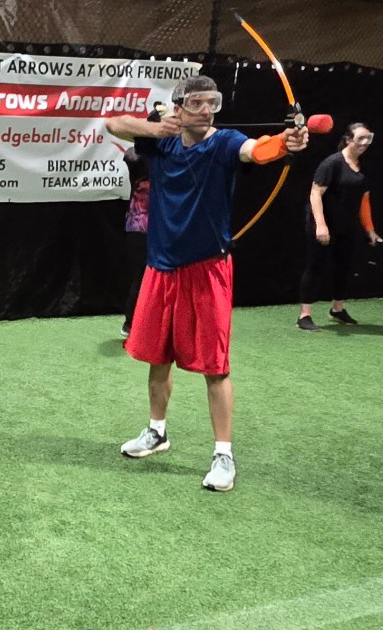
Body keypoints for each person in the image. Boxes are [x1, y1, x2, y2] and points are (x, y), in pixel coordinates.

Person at [106, 75, 308, 491]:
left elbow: (258, 150)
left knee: (215, 367)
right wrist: (157, 128)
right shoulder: (162, 143)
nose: (206, 110)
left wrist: (286, 142)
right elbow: (113, 123)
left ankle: (223, 455)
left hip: (206, 270)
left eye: (211, 102)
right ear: (178, 107)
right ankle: (156, 432)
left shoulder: (225, 142)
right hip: (160, 268)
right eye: (196, 103)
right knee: (158, 357)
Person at [296, 123, 380, 331]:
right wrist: (321, 225)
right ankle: (304, 315)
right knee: (315, 267)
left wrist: (369, 228)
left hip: (347, 226)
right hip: (323, 224)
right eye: (361, 139)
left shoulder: (363, 166)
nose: (365, 143)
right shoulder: (332, 163)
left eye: (368, 138)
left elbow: (364, 199)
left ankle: (337, 309)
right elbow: (315, 193)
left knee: (344, 267)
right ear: (349, 139)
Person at [121, 146, 149, 338]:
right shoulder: (137, 155)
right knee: (140, 277)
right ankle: (131, 323)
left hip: (157, 227)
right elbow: (131, 155)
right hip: (140, 226)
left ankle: (141, 324)